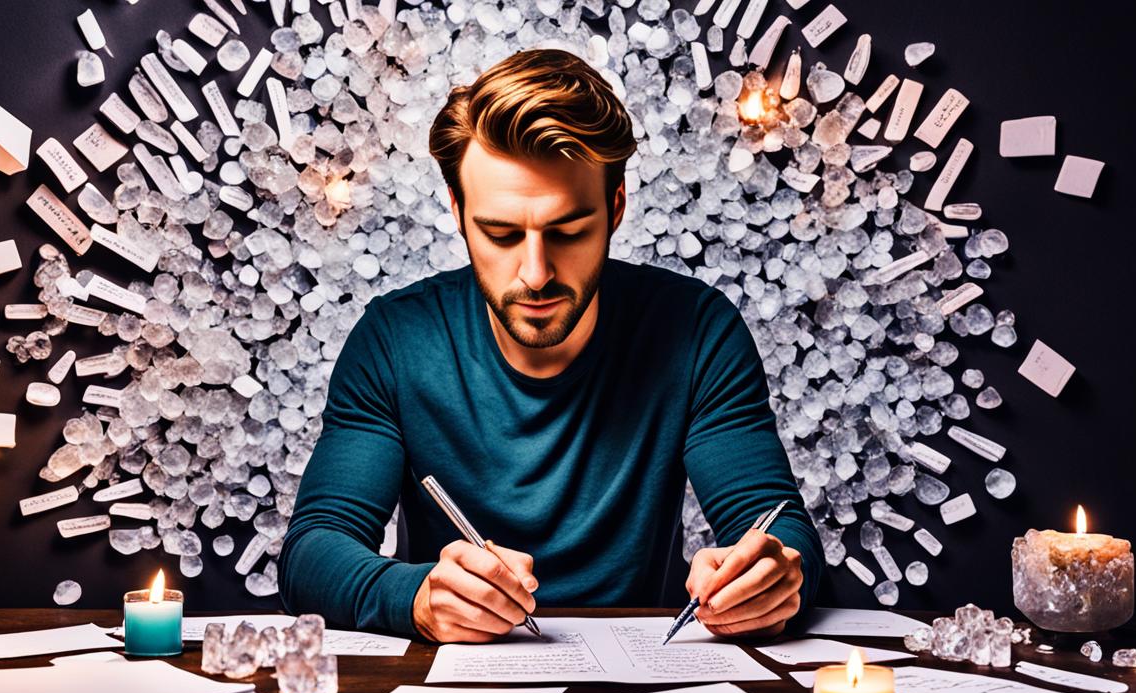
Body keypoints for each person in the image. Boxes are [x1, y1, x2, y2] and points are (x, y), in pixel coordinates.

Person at [279, 48, 823, 643]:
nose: (535, 273)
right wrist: (415, 598)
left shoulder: (698, 331)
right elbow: (312, 550)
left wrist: (770, 575)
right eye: (501, 233)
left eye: (567, 231)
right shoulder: (394, 340)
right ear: (459, 213)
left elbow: (778, 525)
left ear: (615, 208)